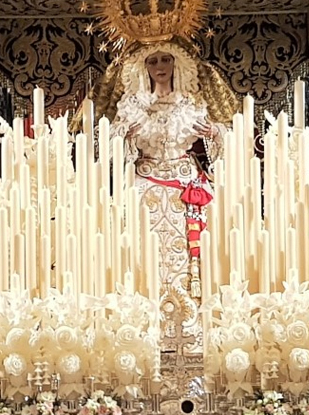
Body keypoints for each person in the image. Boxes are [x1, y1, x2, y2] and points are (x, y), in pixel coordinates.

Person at [95, 39, 237, 304]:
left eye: (165, 59)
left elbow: (227, 134)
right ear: (144, 67)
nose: (160, 66)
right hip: (145, 180)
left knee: (199, 241)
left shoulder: (190, 103)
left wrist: (213, 132)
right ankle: (143, 300)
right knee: (136, 239)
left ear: (176, 63)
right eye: (153, 61)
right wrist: (124, 135)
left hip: (185, 181)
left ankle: (193, 302)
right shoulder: (133, 105)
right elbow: (105, 142)